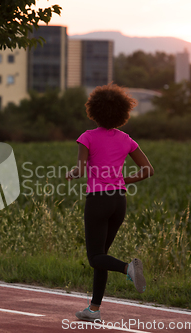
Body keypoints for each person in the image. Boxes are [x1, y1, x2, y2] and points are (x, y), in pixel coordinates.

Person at [65, 83, 154, 323]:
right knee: (101, 256)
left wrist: (72, 173)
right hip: (119, 201)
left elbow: (81, 170)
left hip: (98, 200)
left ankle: (128, 268)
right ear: (122, 113)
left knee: (95, 257)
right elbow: (148, 170)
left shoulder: (87, 137)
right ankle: (93, 310)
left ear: (94, 110)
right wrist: (126, 179)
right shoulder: (126, 139)